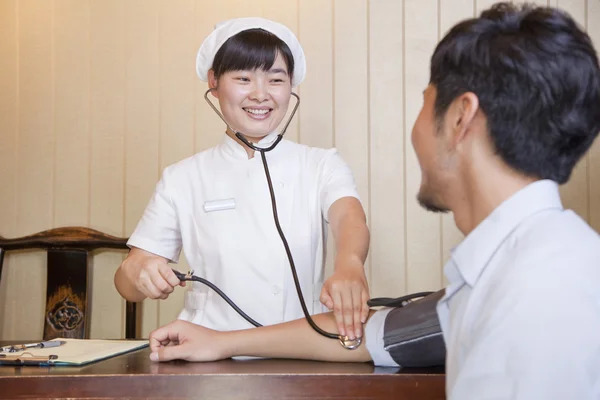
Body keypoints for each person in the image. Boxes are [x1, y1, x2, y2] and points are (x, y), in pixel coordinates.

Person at [147, 3, 600, 399]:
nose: (414, 128)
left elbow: (349, 218)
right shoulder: (510, 265)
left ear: (461, 116)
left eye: (424, 104)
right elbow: (372, 336)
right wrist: (220, 342)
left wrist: (348, 261)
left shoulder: (546, 286)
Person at [114, 18, 371, 341]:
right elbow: (127, 284)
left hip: (301, 351)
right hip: (204, 359)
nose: (260, 94)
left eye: (276, 79)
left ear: (291, 85)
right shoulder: (182, 177)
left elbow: (349, 217)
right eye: (243, 78)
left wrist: (349, 264)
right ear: (214, 82)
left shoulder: (320, 164)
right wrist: (138, 272)